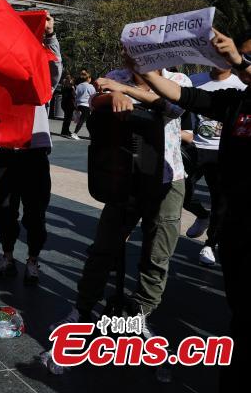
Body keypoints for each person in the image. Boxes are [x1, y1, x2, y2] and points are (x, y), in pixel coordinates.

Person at [129, 29, 250, 392]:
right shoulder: (236, 101)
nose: (242, 62)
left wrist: (238, 61)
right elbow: (183, 95)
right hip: (236, 226)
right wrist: (147, 69)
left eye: (249, 57)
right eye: (243, 54)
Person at [54, 62, 192, 332]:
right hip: (123, 176)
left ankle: (139, 313)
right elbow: (95, 100)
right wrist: (112, 94)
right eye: (128, 51)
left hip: (167, 176)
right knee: (103, 248)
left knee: (157, 253)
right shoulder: (116, 77)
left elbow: (174, 108)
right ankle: (82, 308)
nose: (131, 56)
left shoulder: (177, 79)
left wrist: (126, 91)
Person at [0, 13, 62, 286]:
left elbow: (56, 68)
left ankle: (32, 261)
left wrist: (50, 35)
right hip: (9, 154)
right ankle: (7, 257)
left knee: (35, 214)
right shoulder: (2, 87)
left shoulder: (42, 87)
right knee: (5, 211)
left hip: (34, 154)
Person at [183, 66, 246, 266]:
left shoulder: (240, 85)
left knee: (221, 200)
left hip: (222, 150)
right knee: (181, 191)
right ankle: (202, 215)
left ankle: (210, 244)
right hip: (194, 146)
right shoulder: (194, 80)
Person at [70, 69, 94, 139]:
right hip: (86, 105)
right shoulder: (90, 86)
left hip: (79, 104)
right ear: (88, 78)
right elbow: (93, 95)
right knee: (83, 120)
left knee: (87, 120)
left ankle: (91, 134)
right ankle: (75, 133)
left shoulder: (79, 86)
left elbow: (75, 95)